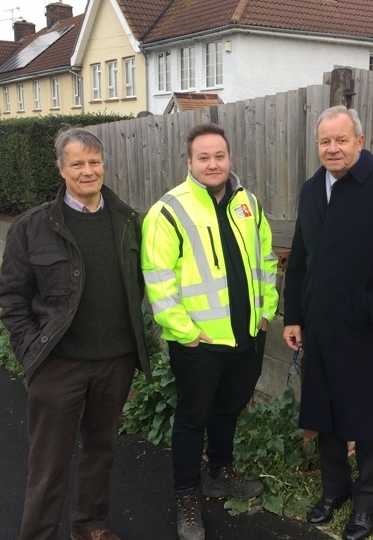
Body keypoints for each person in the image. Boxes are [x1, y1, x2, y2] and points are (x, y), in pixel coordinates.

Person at [0, 126, 152, 540]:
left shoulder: (128, 221)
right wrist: (31, 353)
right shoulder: (32, 227)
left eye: (94, 162)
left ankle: (89, 527)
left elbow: (141, 284)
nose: (88, 171)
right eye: (78, 163)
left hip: (115, 362)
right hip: (58, 365)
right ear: (61, 169)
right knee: (49, 465)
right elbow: (12, 298)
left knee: (101, 453)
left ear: (103, 165)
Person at [282, 106, 373, 540]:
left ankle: (367, 499)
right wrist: (294, 316)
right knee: (324, 411)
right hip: (320, 327)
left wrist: (369, 310)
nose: (332, 149)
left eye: (341, 140)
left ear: (360, 142)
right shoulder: (311, 190)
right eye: (325, 141)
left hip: (367, 328)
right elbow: (301, 260)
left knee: (366, 413)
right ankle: (334, 489)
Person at [141, 123, 279, 540]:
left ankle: (219, 472)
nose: (212, 163)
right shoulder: (169, 210)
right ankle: (186, 498)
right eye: (203, 157)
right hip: (198, 343)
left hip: (248, 335)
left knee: (229, 410)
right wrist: (183, 331)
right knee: (191, 419)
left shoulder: (248, 203)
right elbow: (158, 279)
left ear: (229, 158)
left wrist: (266, 311)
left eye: (219, 155)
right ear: (189, 162)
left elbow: (266, 259)